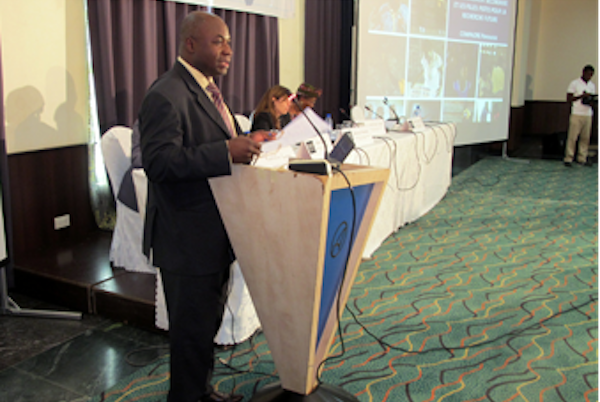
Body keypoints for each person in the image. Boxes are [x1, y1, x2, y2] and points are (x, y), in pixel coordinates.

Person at [138, 11, 270, 402]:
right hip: (186, 238)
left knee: (205, 325)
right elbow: (159, 163)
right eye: (218, 41)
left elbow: (215, 140)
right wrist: (225, 151)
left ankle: (200, 391)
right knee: (190, 333)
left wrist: (247, 140)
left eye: (229, 41)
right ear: (190, 44)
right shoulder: (166, 93)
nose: (228, 50)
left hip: (216, 231)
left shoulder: (208, 88)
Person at [564, 64, 596, 167]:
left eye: (591, 75)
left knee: (585, 138)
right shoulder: (574, 83)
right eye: (587, 74)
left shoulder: (592, 85)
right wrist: (581, 96)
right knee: (572, 137)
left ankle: (582, 158)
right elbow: (569, 99)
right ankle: (568, 158)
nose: (589, 76)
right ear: (583, 72)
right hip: (577, 113)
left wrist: (591, 100)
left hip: (588, 114)